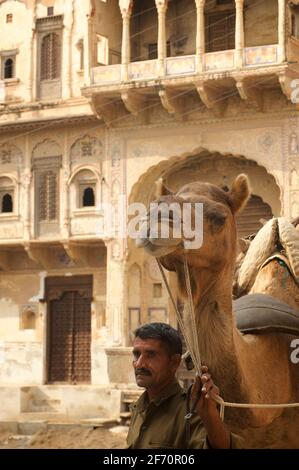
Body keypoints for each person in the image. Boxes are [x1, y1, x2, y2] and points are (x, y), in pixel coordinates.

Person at [126, 322, 243, 449]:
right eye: (137, 354)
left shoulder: (191, 411)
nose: (139, 364)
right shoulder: (139, 407)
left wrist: (210, 418)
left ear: (174, 362)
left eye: (151, 355)